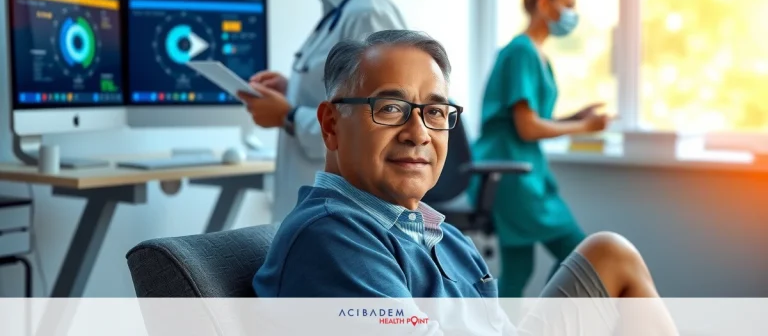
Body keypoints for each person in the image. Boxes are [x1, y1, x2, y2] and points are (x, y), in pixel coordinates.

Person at [252, 30, 676, 335]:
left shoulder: (441, 234)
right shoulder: (334, 237)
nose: (418, 133)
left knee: (610, 253)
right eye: (391, 107)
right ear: (331, 125)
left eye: (435, 113)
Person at [238, 0, 407, 223]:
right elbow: (342, 96)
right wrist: (293, 91)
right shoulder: (343, 11)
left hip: (344, 219)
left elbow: (374, 127)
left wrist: (286, 115)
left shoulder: (368, 15)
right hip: (315, 211)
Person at [473, 0, 610, 298]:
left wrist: (575, 117)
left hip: (522, 172)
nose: (572, 14)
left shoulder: (535, 55)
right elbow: (527, 126)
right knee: (578, 251)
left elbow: (533, 118)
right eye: (568, 4)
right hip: (512, 173)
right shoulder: (521, 51)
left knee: (519, 271)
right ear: (545, 4)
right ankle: (544, 324)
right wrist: (583, 127)